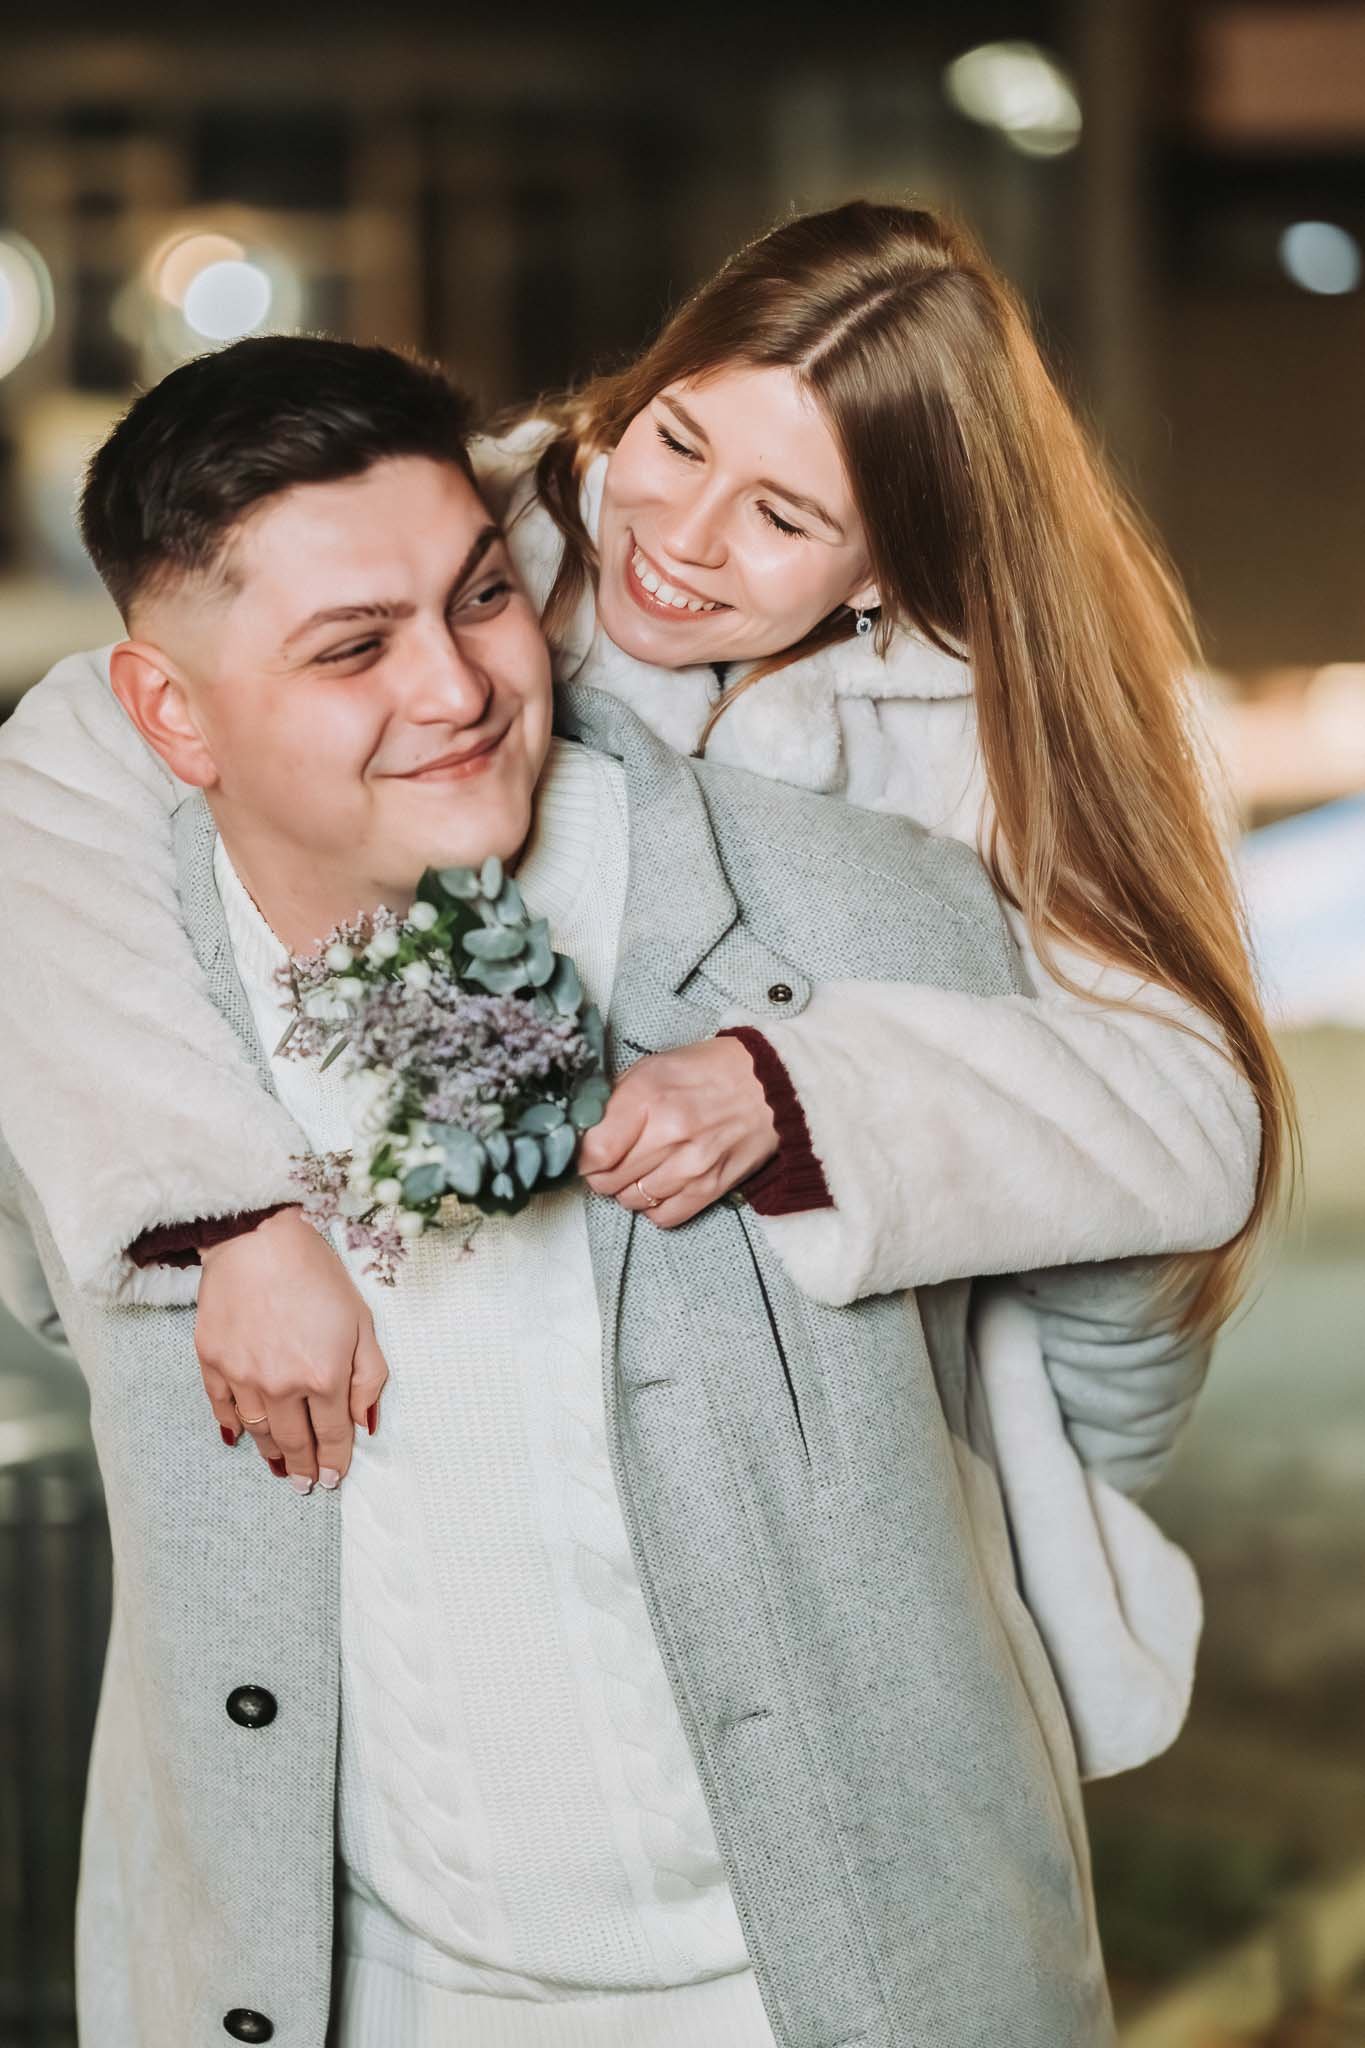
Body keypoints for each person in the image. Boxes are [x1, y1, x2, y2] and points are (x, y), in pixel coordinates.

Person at [0, 336, 1202, 2048]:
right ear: (169, 713)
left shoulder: (864, 917)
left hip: (828, 1994)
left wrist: (980, 1563)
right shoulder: (81, 999)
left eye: (482, 598)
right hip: (350, 1997)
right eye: (354, 647)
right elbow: (58, 1294)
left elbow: (1121, 1297)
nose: (457, 689)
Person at [0, 202, 1285, 1506]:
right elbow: (57, 774)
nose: (679, 536)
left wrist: (803, 1093)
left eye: (782, 516)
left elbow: (1187, 1115)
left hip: (887, 1460)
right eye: (677, 439)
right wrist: (227, 1209)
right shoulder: (478, 519)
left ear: (887, 567)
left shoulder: (1003, 732)